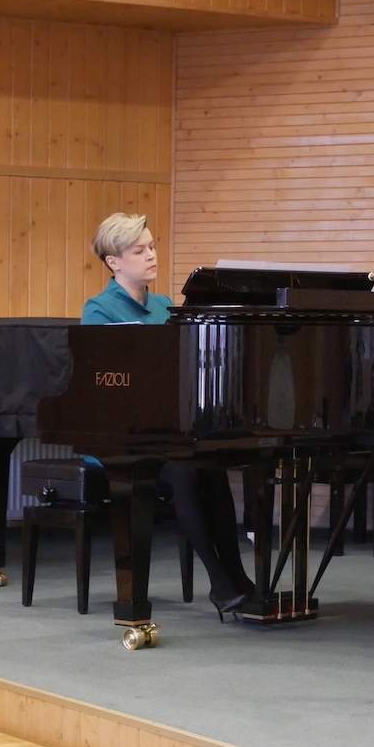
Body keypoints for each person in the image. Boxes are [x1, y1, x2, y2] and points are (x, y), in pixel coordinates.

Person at [80, 213, 255, 618]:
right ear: (114, 262)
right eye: (139, 251)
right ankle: (219, 580)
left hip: (170, 431)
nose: (151, 255)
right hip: (123, 438)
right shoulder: (98, 310)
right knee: (185, 468)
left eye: (152, 246)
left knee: (209, 464)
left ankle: (237, 575)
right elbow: (105, 384)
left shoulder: (164, 306)